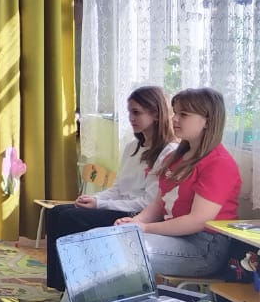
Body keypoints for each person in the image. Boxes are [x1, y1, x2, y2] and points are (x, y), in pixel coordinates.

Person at [44, 86, 178, 290]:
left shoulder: (168, 152)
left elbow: (147, 203)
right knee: (56, 212)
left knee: (70, 218)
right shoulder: (132, 147)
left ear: (156, 114)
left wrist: (100, 204)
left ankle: (73, 285)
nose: (131, 118)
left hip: (137, 214)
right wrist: (95, 199)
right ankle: (58, 284)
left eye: (136, 112)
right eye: (129, 112)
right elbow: (117, 188)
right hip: (119, 206)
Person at [115, 87, 243, 278]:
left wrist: (145, 228)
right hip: (173, 235)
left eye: (183, 114)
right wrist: (136, 222)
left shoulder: (219, 163)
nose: (174, 119)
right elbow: (158, 205)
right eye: (175, 112)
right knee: (104, 239)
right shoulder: (175, 157)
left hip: (204, 247)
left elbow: (198, 221)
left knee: (123, 250)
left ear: (208, 121)